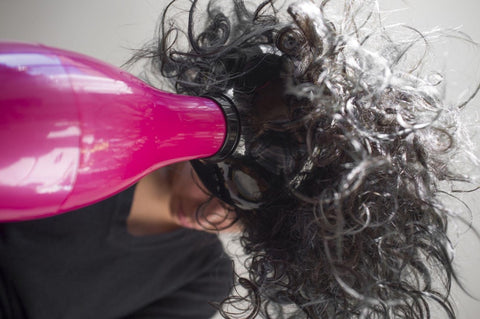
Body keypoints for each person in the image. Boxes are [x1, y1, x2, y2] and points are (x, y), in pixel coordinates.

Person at [131, 0, 479, 318]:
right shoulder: (108, 126)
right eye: (244, 180)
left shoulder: (204, 279)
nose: (212, 215)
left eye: (246, 216)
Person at [0, 162, 234, 319]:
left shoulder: (207, 275)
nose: (212, 215)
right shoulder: (103, 147)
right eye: (221, 187)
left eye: (241, 218)